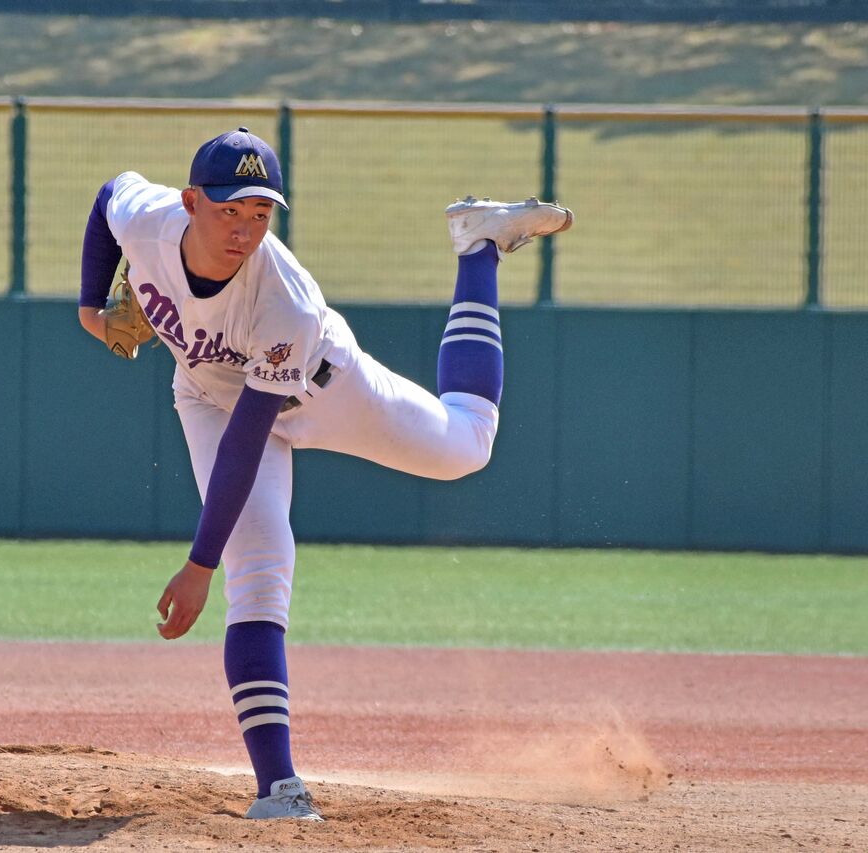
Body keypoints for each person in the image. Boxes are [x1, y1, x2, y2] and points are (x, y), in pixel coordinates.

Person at [77, 127, 572, 821]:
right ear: (190, 202)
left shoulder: (285, 300)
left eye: (261, 213)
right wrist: (89, 306)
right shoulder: (149, 220)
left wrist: (198, 563)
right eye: (228, 210)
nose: (245, 229)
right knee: (261, 566)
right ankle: (279, 788)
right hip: (209, 396)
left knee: (467, 446)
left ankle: (477, 246)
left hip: (325, 391)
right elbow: (109, 194)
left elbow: (250, 439)